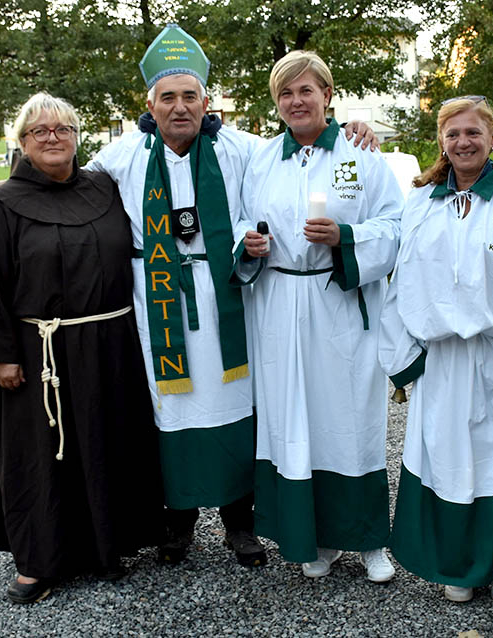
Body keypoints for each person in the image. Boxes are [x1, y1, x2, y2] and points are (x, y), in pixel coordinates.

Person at [85, 26, 379, 569]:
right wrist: (9, 194)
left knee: (236, 404)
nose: (180, 108)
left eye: (190, 96)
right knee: (170, 405)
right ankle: (178, 524)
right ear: (149, 103)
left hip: (228, 300)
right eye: (168, 97)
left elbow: (306, 150)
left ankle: (239, 524)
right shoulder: (121, 156)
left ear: (205, 101)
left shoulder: (242, 149)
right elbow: (71, 192)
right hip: (161, 302)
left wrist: (352, 128)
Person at [0, 92, 164, 604]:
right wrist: (0, 354)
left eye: (61, 129)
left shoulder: (104, 187)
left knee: (104, 444)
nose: (52, 138)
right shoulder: (4, 203)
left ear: (77, 136)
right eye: (39, 132)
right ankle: (40, 560)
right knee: (41, 455)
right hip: (40, 353)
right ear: (23, 143)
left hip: (109, 343)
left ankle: (106, 547)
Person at [378, 96, 493, 602]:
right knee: (446, 460)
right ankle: (454, 564)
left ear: (492, 137)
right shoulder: (421, 205)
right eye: (453, 134)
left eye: (472, 132)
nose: (463, 142)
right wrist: (403, 356)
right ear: (442, 141)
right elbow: (398, 286)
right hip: (440, 362)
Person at [235, 50, 403, 582]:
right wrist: (250, 240)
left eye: (306, 90)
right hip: (281, 306)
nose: (296, 101)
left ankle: (370, 540)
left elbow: (396, 226)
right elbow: (241, 217)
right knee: (295, 422)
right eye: (285, 93)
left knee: (351, 421)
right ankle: (317, 539)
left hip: (339, 303)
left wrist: (345, 238)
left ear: (327, 95)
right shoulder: (262, 159)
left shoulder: (359, 152)